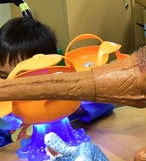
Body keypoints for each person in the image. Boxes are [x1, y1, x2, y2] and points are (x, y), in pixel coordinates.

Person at [0, 16, 112, 147]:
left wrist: (76, 107)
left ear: (49, 71)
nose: (10, 85)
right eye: (3, 76)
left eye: (20, 77)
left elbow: (106, 104)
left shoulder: (60, 97)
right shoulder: (7, 110)